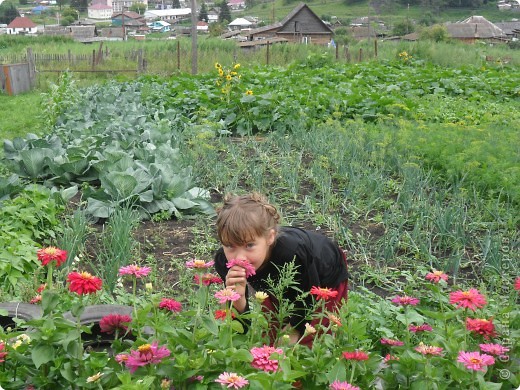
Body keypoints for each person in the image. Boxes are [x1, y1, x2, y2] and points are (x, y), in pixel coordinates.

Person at [213, 192, 348, 347]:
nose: (240, 257)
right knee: (270, 333)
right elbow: (240, 326)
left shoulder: (292, 253)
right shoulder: (224, 262)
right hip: (276, 280)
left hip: (322, 274)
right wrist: (238, 299)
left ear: (270, 237)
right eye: (230, 246)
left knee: (312, 336)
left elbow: (308, 298)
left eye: (249, 245)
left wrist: (295, 329)